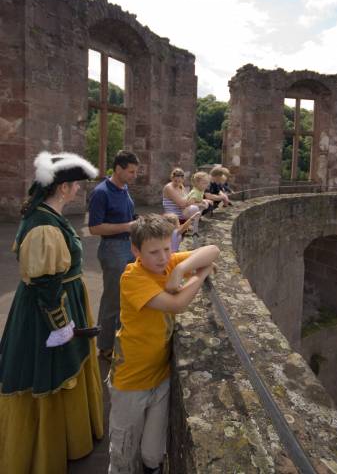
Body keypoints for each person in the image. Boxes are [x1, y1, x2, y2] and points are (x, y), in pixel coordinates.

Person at [0, 151, 103, 474]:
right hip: (48, 313)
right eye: (76, 186)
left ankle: (67, 439)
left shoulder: (48, 216)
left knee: (64, 367)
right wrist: (62, 326)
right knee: (48, 369)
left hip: (63, 300)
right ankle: (41, 452)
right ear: (63, 188)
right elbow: (45, 285)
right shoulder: (44, 226)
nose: (78, 191)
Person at [108, 214, 220, 474]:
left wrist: (181, 269)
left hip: (161, 377)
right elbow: (177, 305)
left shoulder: (169, 265)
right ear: (135, 250)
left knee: (153, 452)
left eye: (168, 248)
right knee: (124, 453)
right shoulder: (132, 278)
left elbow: (212, 249)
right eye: (154, 252)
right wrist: (200, 275)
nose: (163, 257)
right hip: (131, 382)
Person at [89, 149, 139, 361]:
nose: (134, 176)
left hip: (128, 247)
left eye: (135, 172)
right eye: (131, 172)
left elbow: (128, 216)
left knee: (126, 296)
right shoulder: (101, 192)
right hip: (112, 249)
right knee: (112, 299)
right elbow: (94, 228)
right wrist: (128, 225)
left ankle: (119, 341)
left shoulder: (124, 187)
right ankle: (105, 346)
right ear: (118, 169)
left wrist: (137, 222)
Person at [162, 167, 202, 233]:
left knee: (201, 205)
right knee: (194, 208)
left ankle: (187, 225)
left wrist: (197, 201)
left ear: (183, 180)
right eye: (175, 181)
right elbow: (182, 204)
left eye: (179, 181)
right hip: (173, 218)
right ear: (171, 178)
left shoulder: (181, 186)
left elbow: (188, 198)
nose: (177, 183)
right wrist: (191, 199)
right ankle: (184, 226)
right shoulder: (169, 187)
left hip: (182, 214)